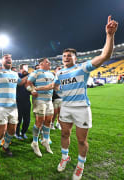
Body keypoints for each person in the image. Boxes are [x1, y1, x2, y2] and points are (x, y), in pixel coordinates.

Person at [35, 16, 118, 180]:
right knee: (64, 134)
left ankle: (80, 165)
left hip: (81, 108)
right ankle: (65, 157)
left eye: (69, 55)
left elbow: (104, 56)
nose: (65, 57)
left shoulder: (82, 67)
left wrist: (109, 35)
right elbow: (53, 85)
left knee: (81, 140)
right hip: (66, 108)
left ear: (75, 58)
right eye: (64, 55)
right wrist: (38, 87)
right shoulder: (59, 73)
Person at [0, 50, 27, 168]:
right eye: (6, 58)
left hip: (13, 107)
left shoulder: (14, 73)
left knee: (12, 130)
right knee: (1, 132)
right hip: (0, 107)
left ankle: (5, 146)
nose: (8, 59)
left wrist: (31, 75)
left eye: (10, 58)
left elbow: (21, 83)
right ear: (2, 61)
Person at [25, 58, 55, 157]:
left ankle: (45, 140)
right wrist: (32, 90)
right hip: (39, 100)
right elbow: (28, 84)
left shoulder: (51, 74)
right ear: (41, 64)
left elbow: (54, 85)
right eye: (47, 62)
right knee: (39, 121)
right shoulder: (36, 72)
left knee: (48, 121)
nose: (49, 63)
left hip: (49, 100)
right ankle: (34, 142)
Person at [15, 64, 31, 140]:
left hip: (27, 100)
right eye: (24, 68)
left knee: (27, 119)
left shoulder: (30, 77)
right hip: (18, 101)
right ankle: (17, 133)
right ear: (20, 69)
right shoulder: (17, 75)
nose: (25, 70)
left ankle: (23, 132)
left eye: (26, 68)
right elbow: (19, 82)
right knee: (18, 119)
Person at [51, 66, 62, 130]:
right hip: (54, 97)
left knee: (60, 112)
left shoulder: (63, 77)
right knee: (54, 113)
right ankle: (51, 124)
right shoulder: (52, 76)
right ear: (55, 70)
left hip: (61, 97)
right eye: (58, 69)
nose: (60, 70)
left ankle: (58, 124)